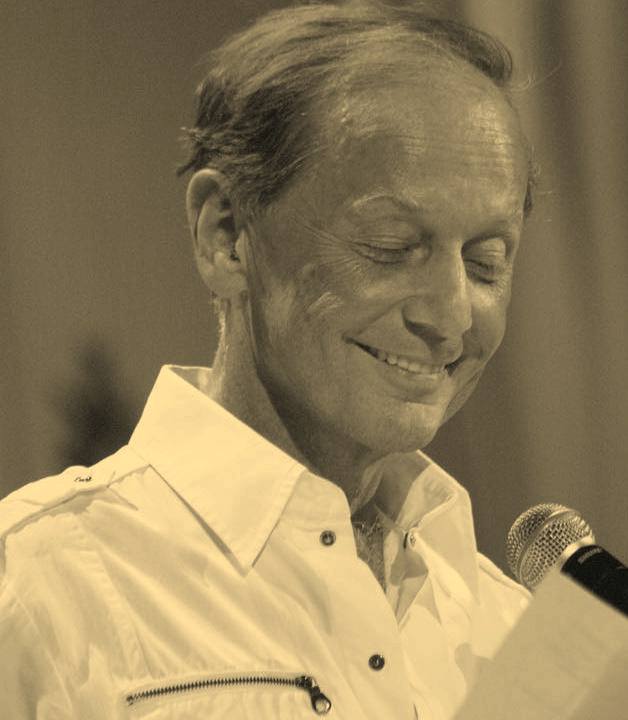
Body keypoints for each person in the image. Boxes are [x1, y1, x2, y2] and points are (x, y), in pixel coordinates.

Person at [0, 2, 536, 718]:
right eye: (389, 246)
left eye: (486, 261)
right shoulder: (40, 587)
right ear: (225, 234)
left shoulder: (511, 630)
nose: (451, 315)